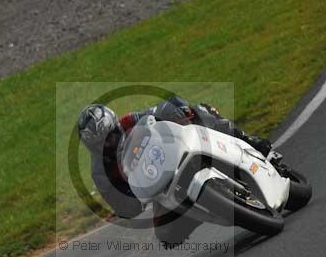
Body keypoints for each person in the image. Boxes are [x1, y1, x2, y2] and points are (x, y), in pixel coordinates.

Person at [77, 96, 273, 247]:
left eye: (109, 137)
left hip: (179, 155)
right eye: (99, 144)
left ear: (115, 125)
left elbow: (159, 110)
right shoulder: (100, 172)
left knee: (201, 111)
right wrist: (129, 200)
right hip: (162, 190)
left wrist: (179, 110)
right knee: (166, 235)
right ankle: (211, 207)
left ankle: (247, 140)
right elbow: (124, 207)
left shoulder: (129, 121)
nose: (106, 144)